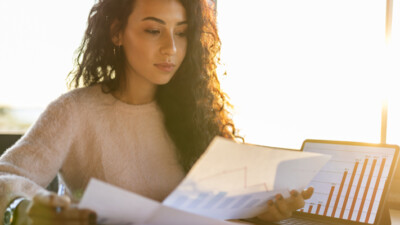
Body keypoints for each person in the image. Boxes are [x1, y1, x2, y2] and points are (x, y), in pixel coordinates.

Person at [0, 0, 313, 224]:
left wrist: (263, 211)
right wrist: (24, 209)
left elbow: (227, 200)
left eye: (181, 32)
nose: (171, 49)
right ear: (117, 33)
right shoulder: (74, 111)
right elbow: (6, 176)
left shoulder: (197, 113)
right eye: (154, 31)